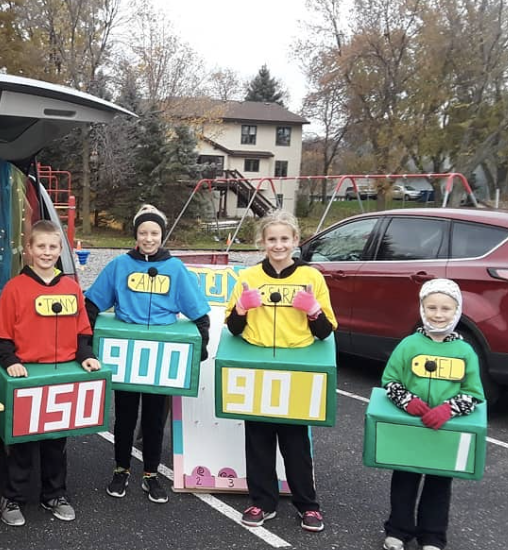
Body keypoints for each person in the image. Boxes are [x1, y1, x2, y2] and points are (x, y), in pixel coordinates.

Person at [85, 204, 211, 504]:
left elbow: (198, 311)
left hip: (163, 355)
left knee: (155, 419)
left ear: (162, 235)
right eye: (143, 232)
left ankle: (151, 474)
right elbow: (93, 302)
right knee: (125, 417)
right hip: (127, 353)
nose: (149, 238)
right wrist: (87, 342)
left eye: (154, 232)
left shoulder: (175, 268)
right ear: (135, 235)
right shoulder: (119, 265)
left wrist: (201, 345)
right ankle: (121, 468)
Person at [224, 209, 337, 532]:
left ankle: (308, 505)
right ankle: (262, 501)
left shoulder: (311, 277)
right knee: (258, 438)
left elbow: (325, 331)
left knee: (295, 441)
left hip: (295, 367)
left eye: (284, 239)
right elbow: (233, 328)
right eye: (272, 239)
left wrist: (313, 311)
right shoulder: (249, 277)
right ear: (262, 242)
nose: (278, 245)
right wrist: (243, 309)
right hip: (257, 365)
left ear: (295, 241)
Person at [0, 220, 102, 526]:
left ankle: (54, 494)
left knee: (57, 441)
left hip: (61, 377)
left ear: (60, 250)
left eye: (53, 247)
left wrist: (87, 356)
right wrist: (10, 360)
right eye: (41, 246)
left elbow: (81, 333)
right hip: (28, 377)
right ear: (28, 250)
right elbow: (0, 336)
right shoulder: (15, 288)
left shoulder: (71, 287)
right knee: (22, 443)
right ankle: (12, 497)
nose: (47, 252)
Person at [379, 278, 484, 550]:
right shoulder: (409, 344)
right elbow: (389, 380)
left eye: (446, 308)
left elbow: (474, 393)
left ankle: (433, 536)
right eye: (432, 307)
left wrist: (448, 410)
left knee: (439, 484)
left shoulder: (464, 351)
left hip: (444, 429)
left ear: (457, 310)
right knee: (404, 479)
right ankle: (398, 530)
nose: (438, 314)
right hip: (411, 428)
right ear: (422, 308)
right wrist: (407, 400)